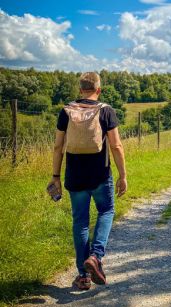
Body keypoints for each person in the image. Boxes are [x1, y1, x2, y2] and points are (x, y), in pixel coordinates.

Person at [47, 72, 127, 290]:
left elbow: (57, 146)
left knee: (80, 222)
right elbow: (116, 145)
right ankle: (96, 256)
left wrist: (55, 176)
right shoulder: (106, 110)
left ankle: (83, 276)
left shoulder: (66, 111)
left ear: (80, 89)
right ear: (98, 89)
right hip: (100, 175)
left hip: (74, 176)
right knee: (107, 211)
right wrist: (123, 175)